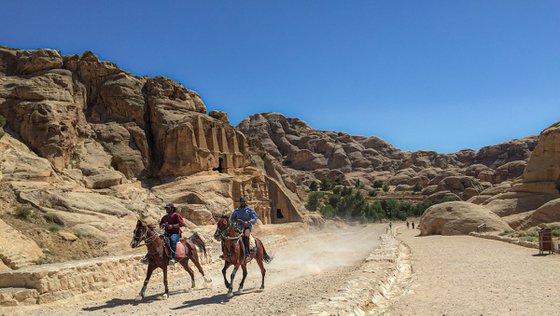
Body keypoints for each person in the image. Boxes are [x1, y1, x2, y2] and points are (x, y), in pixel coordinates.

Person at [230, 196, 258, 262]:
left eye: (244, 201)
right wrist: (235, 220)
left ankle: (248, 254)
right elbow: (232, 219)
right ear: (240, 202)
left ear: (246, 202)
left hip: (247, 227)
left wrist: (249, 221)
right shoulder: (237, 210)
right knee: (231, 236)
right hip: (238, 227)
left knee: (245, 237)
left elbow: (255, 218)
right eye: (242, 202)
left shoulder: (249, 210)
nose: (243, 203)